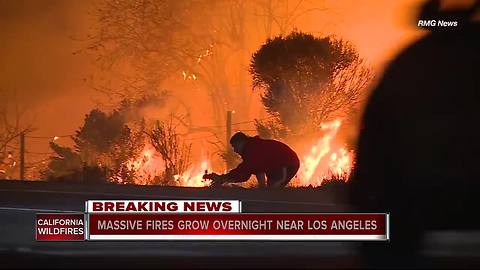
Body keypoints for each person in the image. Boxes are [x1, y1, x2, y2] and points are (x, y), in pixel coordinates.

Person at [349, 0, 480, 268]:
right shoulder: (419, 61)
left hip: (417, 194)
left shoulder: (410, 62)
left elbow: (374, 138)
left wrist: (363, 194)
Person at [203, 132, 300, 188]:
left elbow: (246, 170)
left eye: (234, 146)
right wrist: (224, 179)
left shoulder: (252, 149)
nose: (234, 150)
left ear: (241, 142)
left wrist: (223, 179)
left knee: (273, 190)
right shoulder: (252, 149)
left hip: (287, 163)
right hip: (278, 166)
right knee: (269, 190)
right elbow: (254, 170)